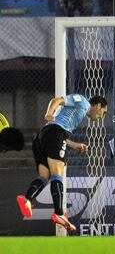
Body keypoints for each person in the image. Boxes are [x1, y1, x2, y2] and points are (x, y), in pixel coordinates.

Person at [16, 94, 107, 231]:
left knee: (44, 176)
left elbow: (60, 131)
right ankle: (59, 213)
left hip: (43, 137)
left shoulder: (78, 112)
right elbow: (56, 100)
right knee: (57, 174)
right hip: (54, 134)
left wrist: (75, 145)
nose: (102, 115)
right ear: (98, 106)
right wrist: (49, 113)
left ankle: (27, 199)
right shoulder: (82, 101)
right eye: (103, 112)